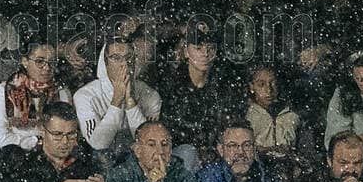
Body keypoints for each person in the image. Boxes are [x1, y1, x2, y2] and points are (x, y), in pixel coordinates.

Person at [163, 20, 238, 170]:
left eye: (210, 48)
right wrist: (199, 148)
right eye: (198, 48)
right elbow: (170, 130)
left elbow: (227, 124)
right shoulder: (171, 85)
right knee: (189, 154)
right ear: (186, 52)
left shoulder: (223, 85)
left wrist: (213, 149)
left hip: (216, 151)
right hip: (180, 153)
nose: (205, 53)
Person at [73, 39, 162, 162]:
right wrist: (117, 101)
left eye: (128, 57)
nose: (124, 64)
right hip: (100, 163)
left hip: (138, 162)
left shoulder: (150, 95)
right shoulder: (85, 96)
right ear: (106, 62)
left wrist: (130, 102)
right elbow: (97, 145)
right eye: (116, 58)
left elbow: (150, 143)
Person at [0, 40, 70, 151]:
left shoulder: (61, 92)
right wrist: (36, 141)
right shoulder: (3, 91)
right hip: (15, 158)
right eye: (40, 61)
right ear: (25, 62)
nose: (47, 68)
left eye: (52, 62)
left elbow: (67, 134)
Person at [245, 65, 305, 165]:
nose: (269, 90)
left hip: (289, 170)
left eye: (273, 83)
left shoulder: (292, 114)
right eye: (261, 84)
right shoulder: (247, 116)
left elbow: (305, 148)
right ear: (252, 87)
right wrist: (264, 150)